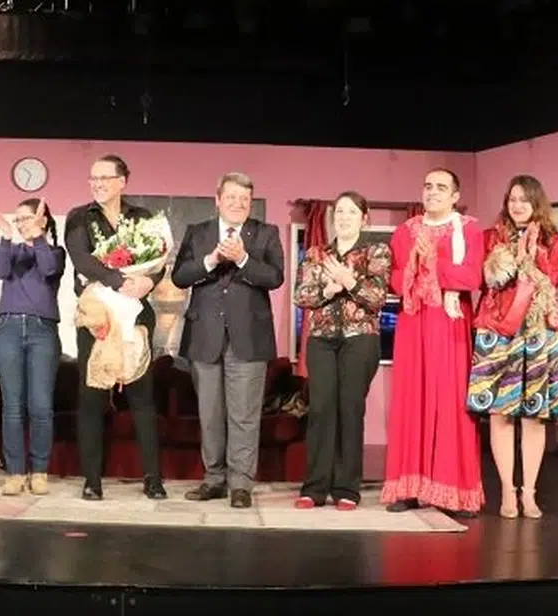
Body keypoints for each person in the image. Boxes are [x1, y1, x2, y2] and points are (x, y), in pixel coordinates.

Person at [171, 172, 284, 509]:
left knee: (244, 416)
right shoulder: (198, 232)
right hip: (204, 336)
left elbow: (275, 277)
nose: (237, 204)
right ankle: (214, 479)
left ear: (250, 204)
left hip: (249, 338)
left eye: (244, 200)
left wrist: (242, 259)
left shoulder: (266, 233)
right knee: (210, 414)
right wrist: (211, 260)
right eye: (231, 197)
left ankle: (241, 484)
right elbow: (180, 276)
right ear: (218, 199)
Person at [382, 168, 485, 517]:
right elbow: (395, 279)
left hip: (449, 322)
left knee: (449, 401)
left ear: (455, 196)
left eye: (441, 187)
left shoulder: (468, 230)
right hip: (414, 322)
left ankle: (453, 490)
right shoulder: (405, 231)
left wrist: (433, 262)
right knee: (411, 399)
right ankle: (408, 488)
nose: (433, 192)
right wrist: (414, 264)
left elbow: (472, 276)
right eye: (428, 186)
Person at [64, 154, 167, 501]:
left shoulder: (143, 218)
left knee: (142, 398)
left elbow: (158, 260)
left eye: (104, 178)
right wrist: (119, 282)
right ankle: (92, 480)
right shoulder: (80, 217)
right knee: (92, 397)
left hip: (135, 315)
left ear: (122, 181)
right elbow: (82, 259)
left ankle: (153, 478)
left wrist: (149, 282)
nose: (97, 184)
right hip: (96, 316)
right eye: (93, 178)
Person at [467, 175, 558, 519]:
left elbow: (551, 281)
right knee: (500, 414)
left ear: (536, 202)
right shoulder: (490, 237)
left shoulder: (554, 240)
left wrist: (532, 255)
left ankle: (530, 493)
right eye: (512, 199)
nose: (517, 205)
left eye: (524, 199)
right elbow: (485, 280)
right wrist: (512, 256)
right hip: (497, 330)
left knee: (533, 416)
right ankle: (508, 492)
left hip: (538, 331)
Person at [291, 191, 390, 510]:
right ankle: (314, 487)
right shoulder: (317, 253)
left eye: (351, 212)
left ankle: (347, 488)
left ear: (364, 218)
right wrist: (328, 288)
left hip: (360, 339)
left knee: (350, 409)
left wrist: (350, 282)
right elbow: (301, 296)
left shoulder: (376, 251)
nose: (344, 217)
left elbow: (377, 299)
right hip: (321, 339)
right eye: (340, 212)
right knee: (320, 410)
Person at [0, 197, 65, 496]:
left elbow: (48, 269)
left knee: (41, 405)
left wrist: (38, 237)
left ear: (43, 220)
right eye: (18, 219)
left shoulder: (54, 251)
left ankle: (40, 471)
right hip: (8, 328)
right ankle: (15, 472)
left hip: (41, 331)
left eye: (27, 218)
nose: (21, 224)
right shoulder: (12, 249)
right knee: (12, 406)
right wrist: (6, 236)